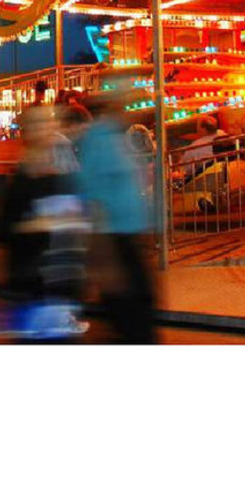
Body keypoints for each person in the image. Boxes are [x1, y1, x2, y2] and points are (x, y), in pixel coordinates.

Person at [0, 103, 89, 340]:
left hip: (59, 283)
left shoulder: (60, 175)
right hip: (32, 283)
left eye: (48, 122)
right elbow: (2, 228)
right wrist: (34, 226)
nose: (46, 129)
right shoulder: (21, 180)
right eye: (39, 124)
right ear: (28, 132)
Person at [78, 93, 158, 342]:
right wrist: (103, 254)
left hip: (127, 235)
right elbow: (93, 196)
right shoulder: (99, 142)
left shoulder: (114, 140)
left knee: (137, 305)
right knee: (129, 309)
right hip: (115, 239)